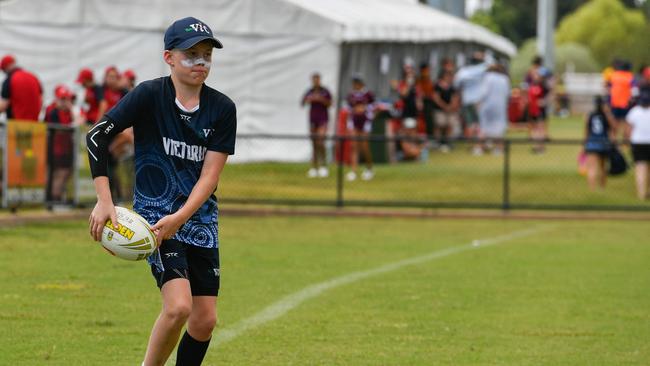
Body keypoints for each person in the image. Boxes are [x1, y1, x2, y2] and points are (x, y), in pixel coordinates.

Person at [86, 16, 236, 366]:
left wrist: (182, 218)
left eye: (206, 55)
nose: (201, 62)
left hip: (197, 220)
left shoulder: (222, 109)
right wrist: (105, 201)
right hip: (156, 218)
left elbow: (209, 177)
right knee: (179, 307)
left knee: (204, 320)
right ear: (169, 57)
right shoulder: (149, 95)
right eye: (191, 54)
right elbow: (97, 136)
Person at [44, 85, 76, 203]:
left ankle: (55, 197)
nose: (65, 103)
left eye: (66, 99)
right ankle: (53, 198)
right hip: (56, 149)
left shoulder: (69, 112)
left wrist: (72, 109)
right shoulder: (53, 112)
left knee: (63, 174)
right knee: (58, 174)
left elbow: (78, 122)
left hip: (65, 150)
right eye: (62, 99)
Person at [454, 51, 488, 155]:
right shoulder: (484, 68)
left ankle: (474, 146)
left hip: (467, 100)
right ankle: (479, 146)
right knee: (480, 124)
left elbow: (456, 84)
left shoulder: (463, 71)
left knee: (470, 124)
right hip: (479, 100)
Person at [301, 72, 332, 178]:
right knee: (314, 143)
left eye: (317, 79)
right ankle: (314, 167)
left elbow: (330, 103)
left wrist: (321, 99)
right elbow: (302, 103)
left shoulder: (325, 91)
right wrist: (309, 99)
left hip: (323, 120)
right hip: (312, 120)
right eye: (314, 80)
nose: (315, 81)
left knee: (320, 141)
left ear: (320, 80)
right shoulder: (309, 91)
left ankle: (323, 166)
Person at [583, 96, 616, 191]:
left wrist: (585, 144)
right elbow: (614, 127)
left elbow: (586, 131)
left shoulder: (589, 115)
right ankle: (602, 187)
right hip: (604, 142)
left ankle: (592, 189)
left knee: (592, 168)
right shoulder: (607, 115)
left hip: (592, 142)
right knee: (603, 167)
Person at [346, 75, 375, 181]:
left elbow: (373, 107)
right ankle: (353, 171)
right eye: (354, 83)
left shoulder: (368, 94)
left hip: (365, 122)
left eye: (357, 82)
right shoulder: (351, 95)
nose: (355, 85)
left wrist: (364, 109)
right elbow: (348, 108)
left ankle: (369, 168)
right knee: (354, 146)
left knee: (364, 146)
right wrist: (355, 110)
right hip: (354, 122)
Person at [478, 64, 510, 155]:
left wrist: (479, 103)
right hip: (500, 107)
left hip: (487, 106)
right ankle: (499, 149)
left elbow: (483, 92)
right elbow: (507, 94)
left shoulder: (487, 77)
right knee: (499, 129)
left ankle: (480, 148)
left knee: (483, 127)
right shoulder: (504, 79)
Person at [0, 55, 43, 121]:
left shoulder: (9, 80)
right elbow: (41, 99)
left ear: (7, 67)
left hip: (16, 125)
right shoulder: (33, 77)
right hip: (34, 124)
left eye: (4, 70)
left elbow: (3, 105)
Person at [624, 92, 650, 200]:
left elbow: (628, 130)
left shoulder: (634, 112)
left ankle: (641, 193)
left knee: (640, 168)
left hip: (638, 143)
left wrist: (627, 141)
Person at [432, 70, 460, 153]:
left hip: (450, 110)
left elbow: (455, 97)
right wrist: (444, 106)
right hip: (439, 109)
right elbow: (436, 97)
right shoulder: (437, 85)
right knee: (439, 125)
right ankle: (438, 142)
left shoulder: (452, 87)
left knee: (449, 125)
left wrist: (450, 106)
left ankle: (447, 142)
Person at [609, 60, 634, 129]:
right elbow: (634, 90)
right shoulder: (630, 77)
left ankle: (613, 138)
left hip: (614, 103)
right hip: (625, 104)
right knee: (626, 124)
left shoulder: (614, 75)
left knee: (615, 124)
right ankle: (624, 139)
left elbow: (609, 87)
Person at [416, 63, 435, 141]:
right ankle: (423, 138)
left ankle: (429, 138)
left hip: (429, 102)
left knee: (430, 121)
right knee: (423, 121)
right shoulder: (420, 79)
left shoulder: (428, 79)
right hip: (423, 102)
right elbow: (419, 91)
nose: (428, 71)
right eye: (426, 70)